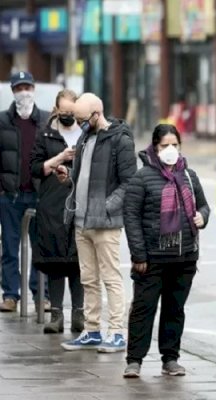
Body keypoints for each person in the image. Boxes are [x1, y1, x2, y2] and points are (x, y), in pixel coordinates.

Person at [122, 124, 210, 378]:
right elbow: (131, 216)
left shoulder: (189, 176)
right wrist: (138, 255)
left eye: (175, 145)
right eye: (164, 145)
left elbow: (203, 206)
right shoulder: (142, 177)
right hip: (152, 258)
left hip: (184, 257)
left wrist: (202, 217)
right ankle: (134, 360)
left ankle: (170, 358)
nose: (170, 150)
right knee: (143, 308)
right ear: (155, 146)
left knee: (175, 309)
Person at [56, 93, 137, 353]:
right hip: (81, 221)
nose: (77, 124)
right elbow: (85, 176)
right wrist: (69, 175)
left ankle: (117, 333)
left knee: (111, 278)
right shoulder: (85, 137)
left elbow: (129, 183)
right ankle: (92, 330)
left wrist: (105, 207)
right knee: (88, 279)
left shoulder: (120, 140)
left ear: (96, 114)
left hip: (105, 223)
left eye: (81, 119)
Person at [30, 89, 84, 333]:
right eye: (63, 112)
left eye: (71, 112)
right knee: (54, 262)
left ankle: (79, 315)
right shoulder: (46, 133)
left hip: (79, 202)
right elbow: (34, 168)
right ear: (56, 110)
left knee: (78, 262)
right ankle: (56, 316)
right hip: (52, 203)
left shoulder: (86, 133)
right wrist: (60, 157)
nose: (67, 116)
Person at [0, 71, 49, 312]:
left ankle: (41, 293)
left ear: (34, 88)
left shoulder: (46, 121)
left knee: (40, 248)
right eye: (19, 88)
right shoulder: (2, 121)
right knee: (10, 248)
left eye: (27, 87)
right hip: (10, 197)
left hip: (40, 196)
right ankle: (10, 295)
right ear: (13, 91)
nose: (24, 92)